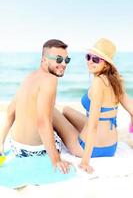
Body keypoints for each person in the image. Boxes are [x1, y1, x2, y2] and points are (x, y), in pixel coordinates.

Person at [53, 38, 133, 174]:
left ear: (106, 65)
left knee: (52, 112)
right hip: (111, 147)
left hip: (90, 148)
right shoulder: (117, 81)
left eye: (96, 59)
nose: (90, 61)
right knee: (66, 110)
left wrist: (85, 161)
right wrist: (131, 131)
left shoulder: (98, 83)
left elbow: (94, 125)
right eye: (88, 57)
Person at [0, 39, 71, 174]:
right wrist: (56, 160)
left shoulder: (29, 77)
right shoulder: (50, 79)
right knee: (57, 118)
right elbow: (42, 122)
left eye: (66, 60)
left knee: (49, 110)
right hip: (36, 151)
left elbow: (10, 111)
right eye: (58, 59)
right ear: (44, 60)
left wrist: (0, 142)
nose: (63, 64)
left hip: (16, 148)